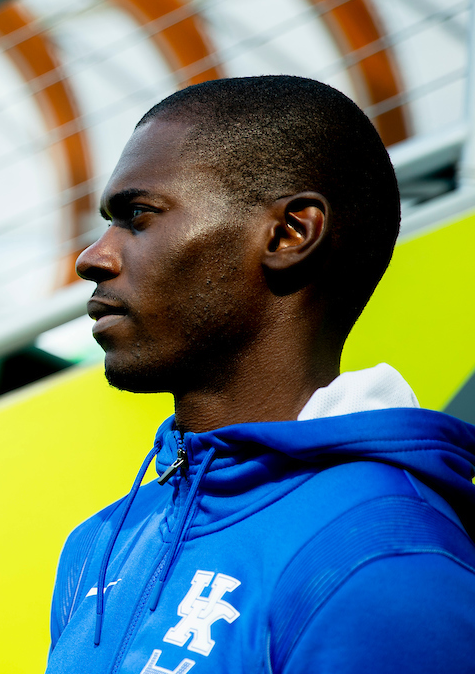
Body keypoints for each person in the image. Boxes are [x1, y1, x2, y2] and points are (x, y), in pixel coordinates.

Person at [47, 75, 475, 674]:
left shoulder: (382, 557)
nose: (93, 257)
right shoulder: (101, 543)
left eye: (138, 216)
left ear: (289, 234)